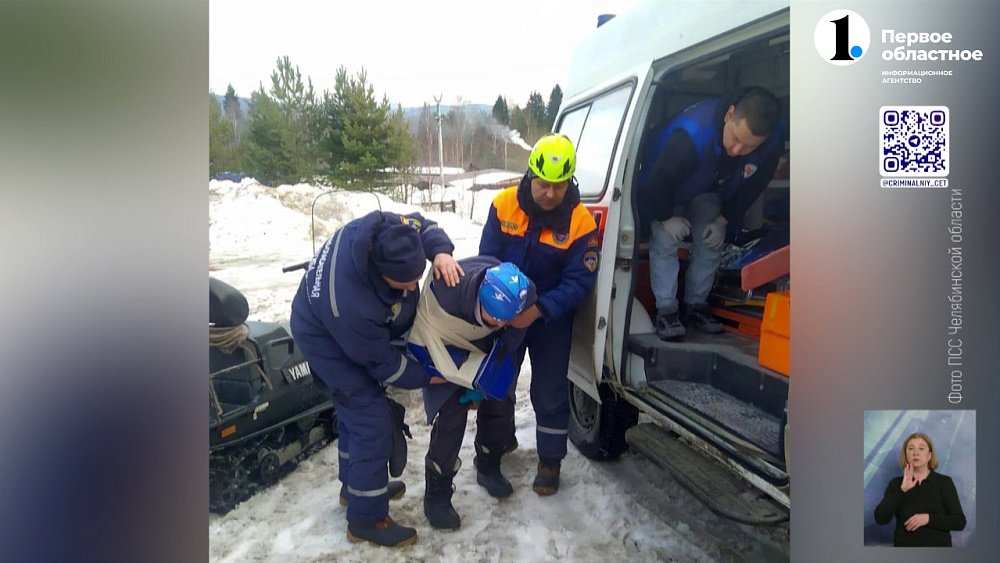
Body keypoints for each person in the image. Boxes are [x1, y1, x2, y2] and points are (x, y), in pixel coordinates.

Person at [289, 210, 462, 548]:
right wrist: (429, 375)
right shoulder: (352, 306)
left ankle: (353, 487)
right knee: (370, 419)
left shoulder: (386, 227)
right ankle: (366, 518)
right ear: (382, 275)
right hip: (324, 338)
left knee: (358, 417)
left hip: (330, 318)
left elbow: (421, 223)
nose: (413, 287)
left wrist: (440, 250)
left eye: (417, 277)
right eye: (405, 284)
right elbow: (384, 365)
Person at [477, 133, 600, 497]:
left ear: (569, 183)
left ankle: (550, 460)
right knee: (497, 385)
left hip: (550, 319)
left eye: (558, 187)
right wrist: (495, 309)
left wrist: (539, 310)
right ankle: (490, 457)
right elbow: (488, 259)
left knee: (549, 391)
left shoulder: (580, 222)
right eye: (543, 184)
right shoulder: (503, 205)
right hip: (504, 314)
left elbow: (579, 281)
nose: (549, 194)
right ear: (530, 176)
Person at [637, 86, 786, 340]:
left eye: (748, 147)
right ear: (729, 115)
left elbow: (753, 186)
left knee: (711, 241)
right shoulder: (692, 135)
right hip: (666, 185)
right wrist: (665, 217)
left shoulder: (769, 145)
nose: (737, 150)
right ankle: (667, 311)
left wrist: (723, 219)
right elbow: (656, 183)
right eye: (735, 139)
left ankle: (695, 306)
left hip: (706, 187)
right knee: (664, 240)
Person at [405, 258, 536, 530]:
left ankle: (488, 462)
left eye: (511, 318)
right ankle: (437, 494)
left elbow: (514, 329)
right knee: (452, 413)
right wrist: (458, 377)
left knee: (499, 398)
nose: (506, 323)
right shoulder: (446, 297)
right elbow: (422, 340)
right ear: (481, 306)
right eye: (499, 319)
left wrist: (493, 365)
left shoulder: (520, 293)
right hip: (442, 349)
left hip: (487, 347)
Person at [873, 432, 967, 547]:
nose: (915, 453)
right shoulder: (896, 483)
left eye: (921, 448)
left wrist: (928, 518)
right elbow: (880, 518)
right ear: (906, 455)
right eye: (911, 448)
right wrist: (902, 490)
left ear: (929, 456)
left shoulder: (944, 482)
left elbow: (959, 522)